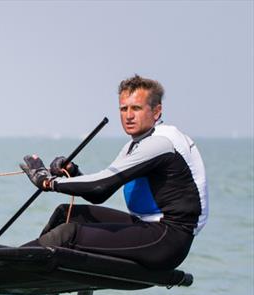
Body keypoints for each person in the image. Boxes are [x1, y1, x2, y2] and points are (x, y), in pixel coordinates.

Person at [19, 74, 208, 270]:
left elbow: (101, 184)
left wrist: (47, 182)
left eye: (136, 108)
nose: (128, 115)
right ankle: (29, 275)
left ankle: (11, 269)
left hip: (168, 239)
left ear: (156, 111)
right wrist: (73, 172)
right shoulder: (135, 145)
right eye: (123, 108)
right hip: (146, 225)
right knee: (66, 214)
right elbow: (100, 193)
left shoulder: (161, 143)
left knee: (68, 234)